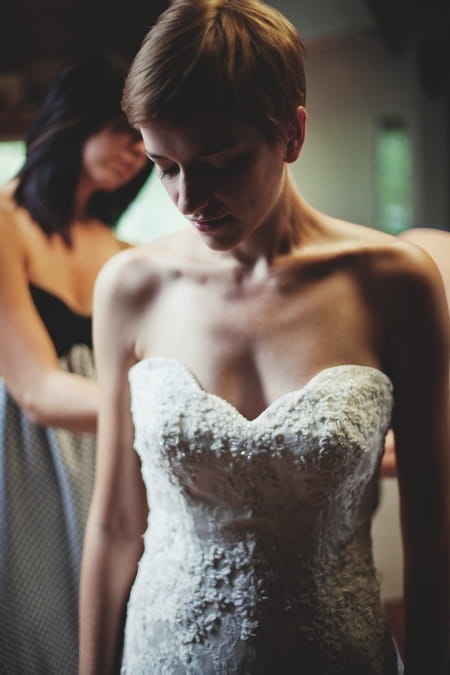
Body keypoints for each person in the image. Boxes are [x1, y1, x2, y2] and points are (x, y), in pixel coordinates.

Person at [79, 2, 450, 673]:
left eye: (221, 161)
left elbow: (433, 526)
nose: (190, 196)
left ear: (292, 133)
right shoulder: (129, 288)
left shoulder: (397, 284)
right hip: (163, 654)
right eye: (163, 165)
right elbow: (111, 524)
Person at [0, 53, 151, 674]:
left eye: (146, 141)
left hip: (109, 450)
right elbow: (34, 386)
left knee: (113, 618)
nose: (137, 151)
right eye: (124, 129)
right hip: (26, 451)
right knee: (35, 620)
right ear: (74, 119)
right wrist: (168, 411)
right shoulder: (6, 221)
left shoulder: (123, 251)